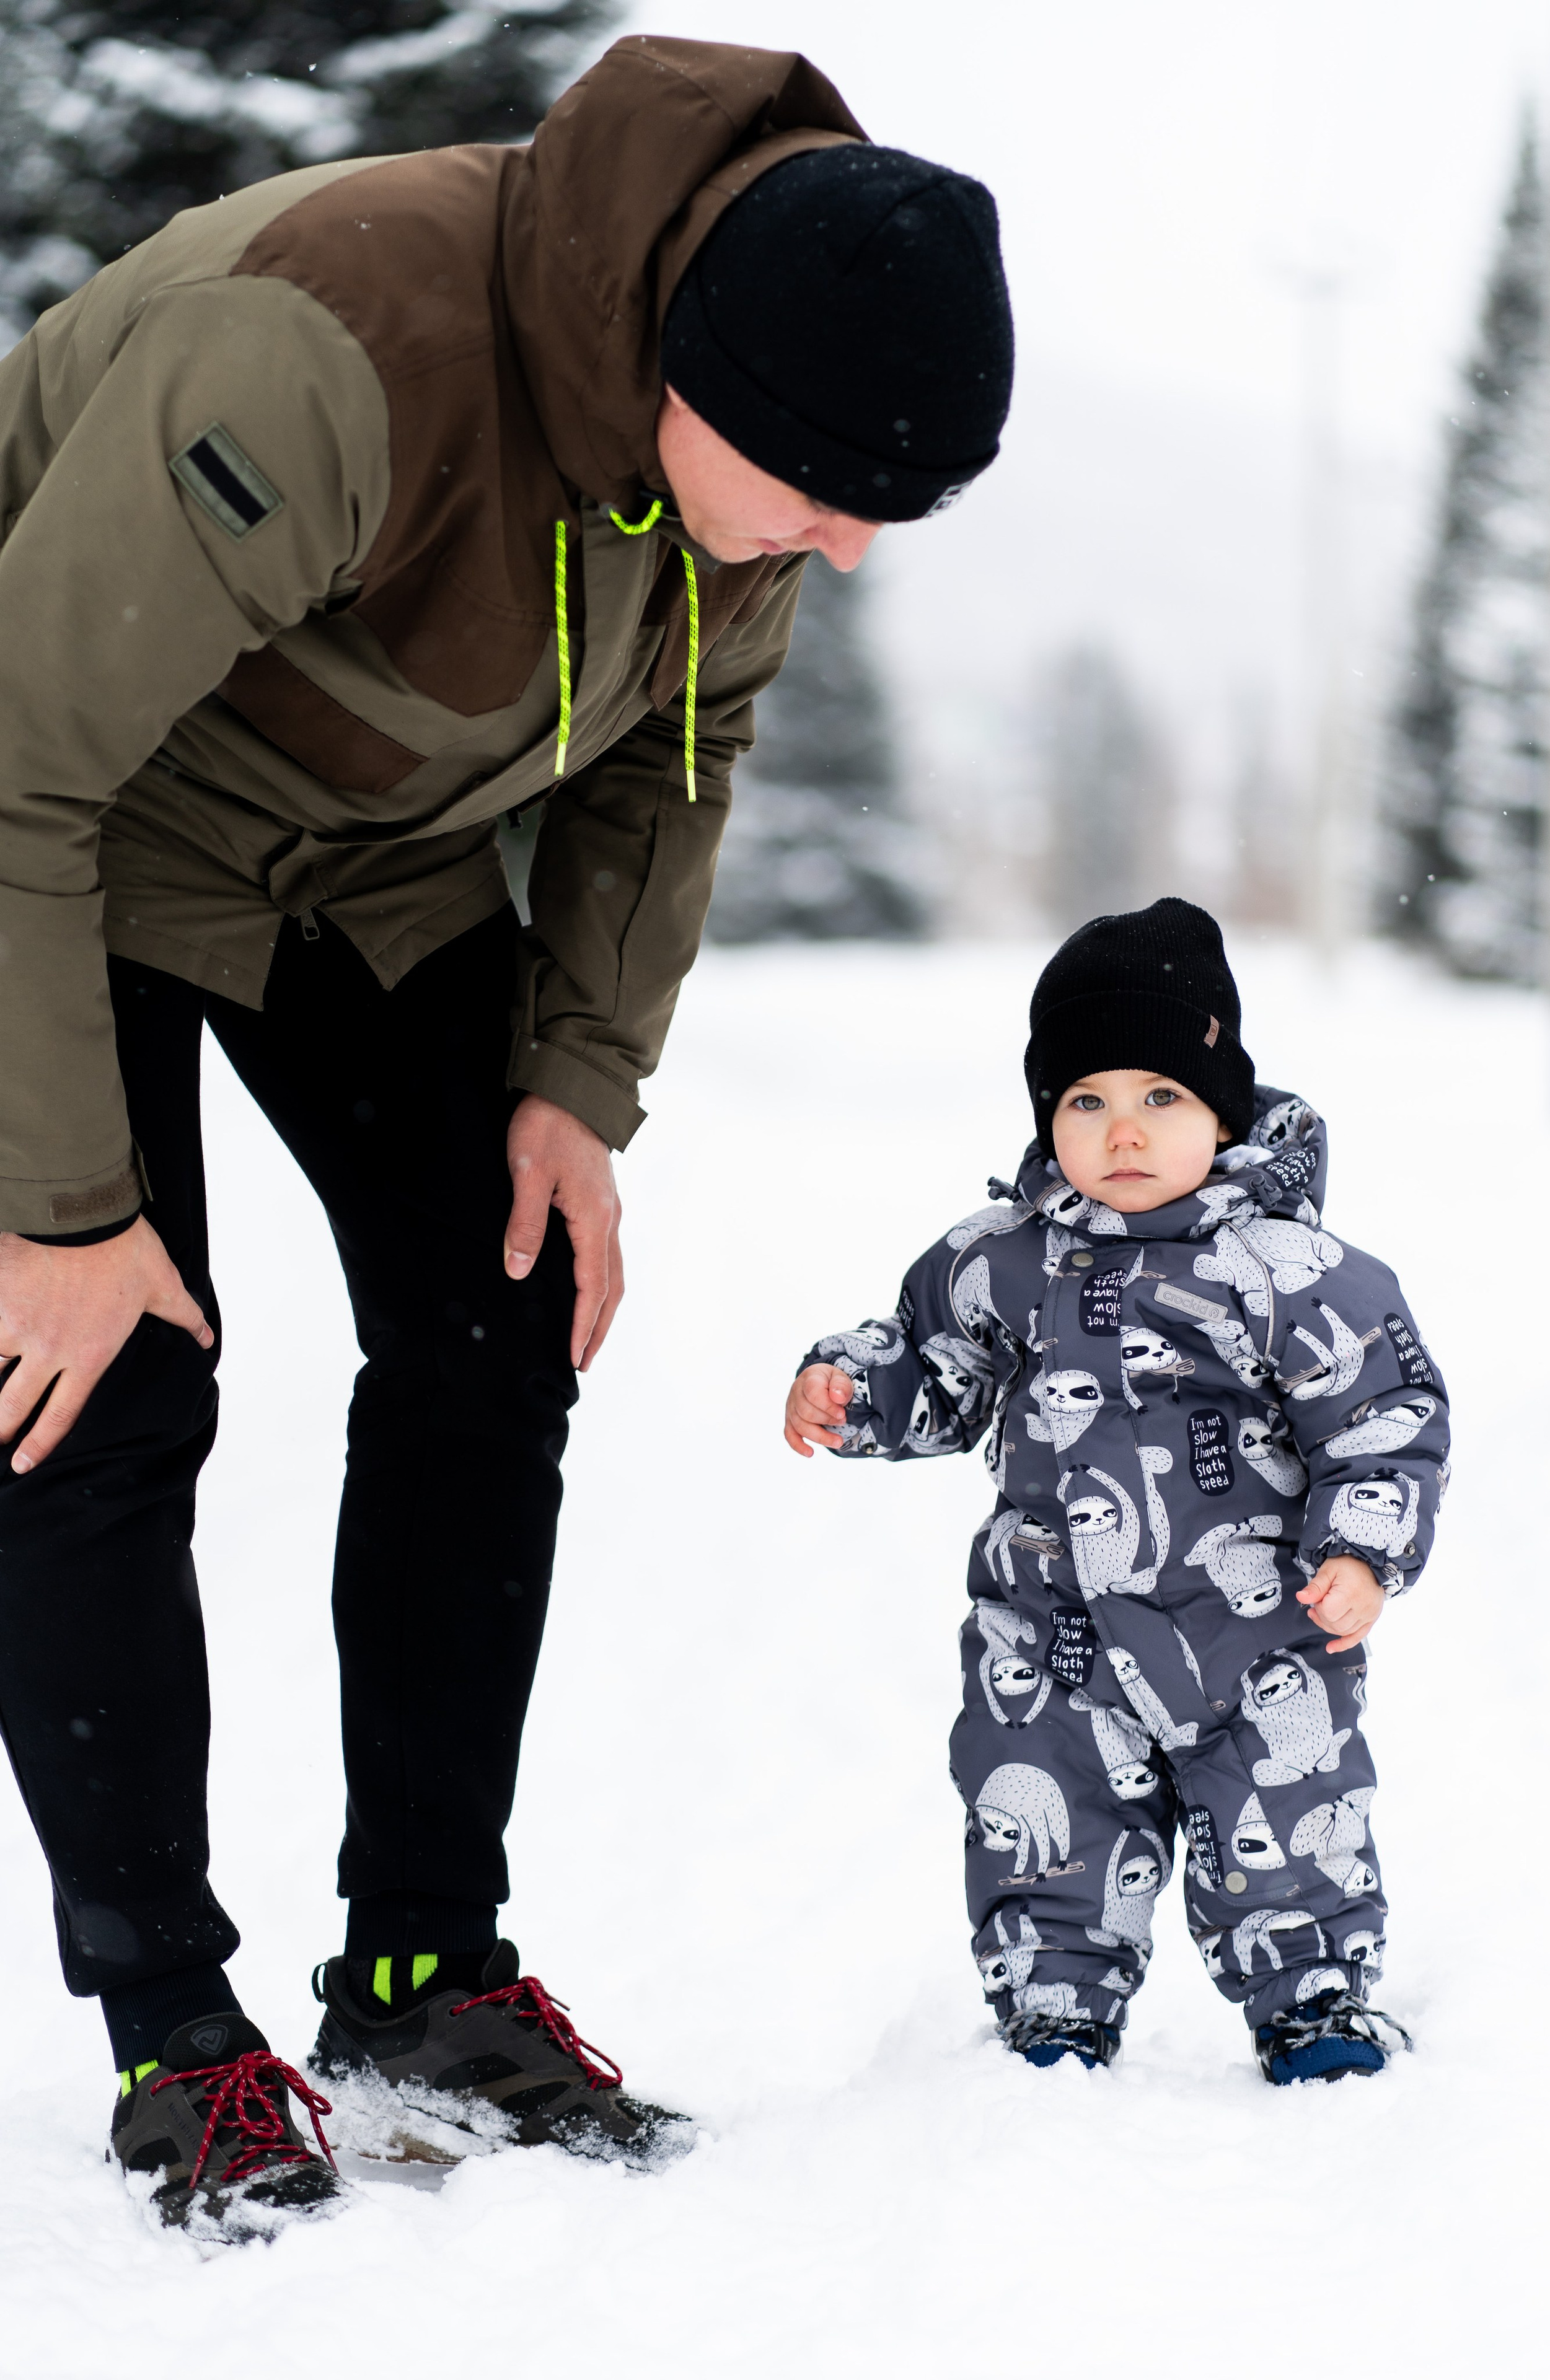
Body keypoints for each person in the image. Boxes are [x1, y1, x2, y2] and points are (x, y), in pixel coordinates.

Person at [0, 33, 1015, 2229]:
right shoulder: (322, 357)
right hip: (61, 823)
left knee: (500, 1304)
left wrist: (574, 1078)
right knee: (100, 1378)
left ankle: (422, 1975)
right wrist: (55, 1210)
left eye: (894, 509)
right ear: (694, 367)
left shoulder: (747, 421)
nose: (846, 548)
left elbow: (678, 752)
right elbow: (15, 764)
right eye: (831, 489)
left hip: (356, 858)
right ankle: (175, 2034)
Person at [785, 899, 1447, 2083]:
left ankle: (1311, 1998)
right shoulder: (1003, 1256)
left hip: (1255, 1629)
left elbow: (1382, 1417)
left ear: (1222, 1112)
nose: (1123, 1130)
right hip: (1052, 1630)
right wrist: (854, 1388)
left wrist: (1360, 1548)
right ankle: (1055, 2003)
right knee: (1046, 1814)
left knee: (1285, 1813)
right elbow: (937, 1363)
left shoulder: (1290, 1271)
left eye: (1162, 1097)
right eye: (1086, 1100)